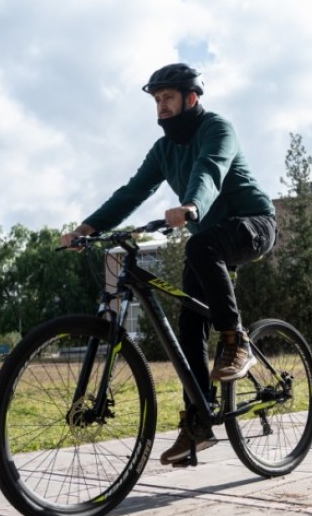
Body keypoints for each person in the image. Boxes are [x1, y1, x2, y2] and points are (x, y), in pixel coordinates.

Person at [61, 63, 276, 466]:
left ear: (190, 99)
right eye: (157, 100)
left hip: (253, 225)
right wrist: (86, 228)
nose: (160, 107)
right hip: (207, 239)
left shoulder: (217, 128)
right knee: (189, 325)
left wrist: (192, 204)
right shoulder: (164, 149)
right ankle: (198, 422)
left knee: (200, 247)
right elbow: (132, 192)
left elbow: (209, 169)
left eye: (168, 98)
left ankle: (236, 340)